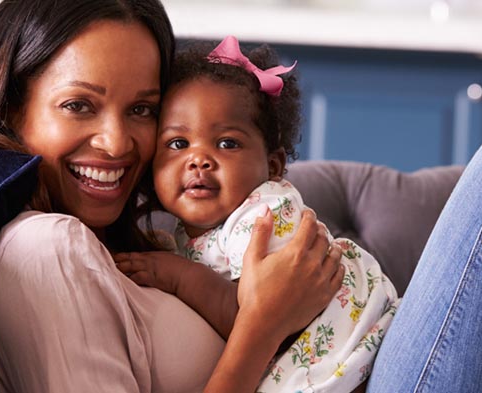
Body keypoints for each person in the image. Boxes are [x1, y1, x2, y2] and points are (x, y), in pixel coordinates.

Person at [0, 1, 482, 393]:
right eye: (80, 106)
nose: (120, 143)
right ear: (12, 103)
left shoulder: (126, 239)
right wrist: (259, 324)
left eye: (143, 109)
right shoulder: (42, 250)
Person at [113, 36, 399, 393]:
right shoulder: (189, 236)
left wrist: (177, 276)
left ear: (273, 166)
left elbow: (255, 317)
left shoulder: (266, 215)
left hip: (382, 361)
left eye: (227, 143)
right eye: (177, 143)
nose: (198, 158)